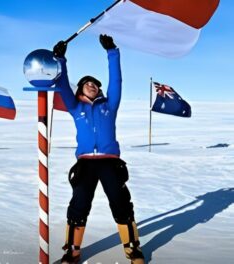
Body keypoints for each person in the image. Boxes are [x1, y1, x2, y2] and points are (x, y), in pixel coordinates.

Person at [53, 35, 145, 264]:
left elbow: (116, 82)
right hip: (85, 162)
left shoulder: (109, 106)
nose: (93, 86)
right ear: (81, 89)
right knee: (79, 204)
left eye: (96, 84)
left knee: (121, 202)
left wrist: (112, 52)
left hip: (109, 161)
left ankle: (132, 248)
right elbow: (62, 85)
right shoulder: (75, 107)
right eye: (88, 83)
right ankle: (72, 250)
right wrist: (60, 60)